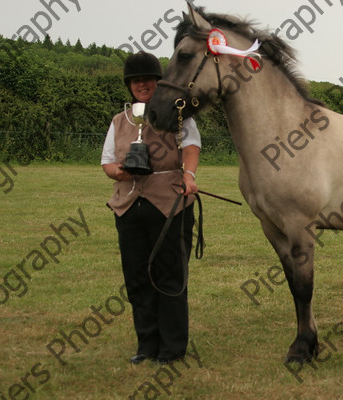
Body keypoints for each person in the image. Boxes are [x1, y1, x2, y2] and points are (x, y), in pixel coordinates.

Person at [101, 51, 201, 364]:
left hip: (169, 204)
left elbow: (192, 145)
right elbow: (107, 161)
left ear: (158, 82)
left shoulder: (178, 113)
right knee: (137, 278)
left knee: (169, 277)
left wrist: (189, 174)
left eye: (148, 79)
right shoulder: (120, 121)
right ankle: (146, 345)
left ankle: (172, 349)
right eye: (136, 80)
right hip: (128, 207)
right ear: (130, 85)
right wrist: (119, 172)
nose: (143, 84)